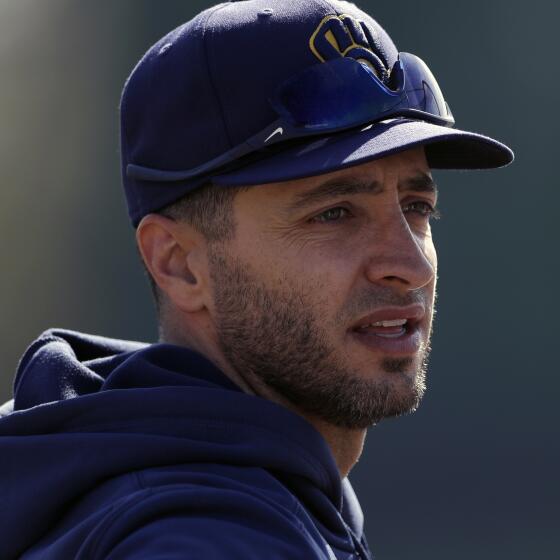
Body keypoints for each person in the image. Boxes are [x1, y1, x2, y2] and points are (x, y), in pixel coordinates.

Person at [0, 0, 512, 558]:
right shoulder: (208, 538)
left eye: (417, 207)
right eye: (334, 213)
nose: (408, 264)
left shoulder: (139, 475)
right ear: (178, 263)